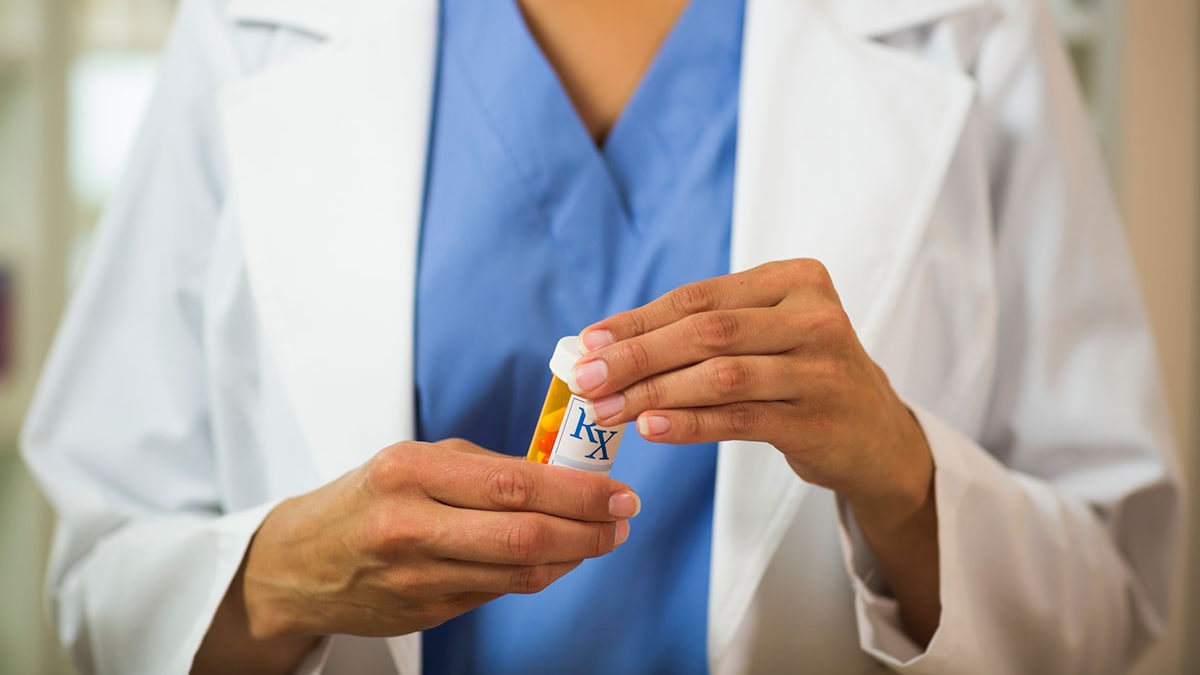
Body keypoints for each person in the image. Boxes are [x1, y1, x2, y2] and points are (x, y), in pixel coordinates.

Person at [21, 0, 1182, 673]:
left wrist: (905, 481)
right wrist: (281, 581)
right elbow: (94, 582)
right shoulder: (251, 23)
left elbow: (1114, 603)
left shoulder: (967, 24)